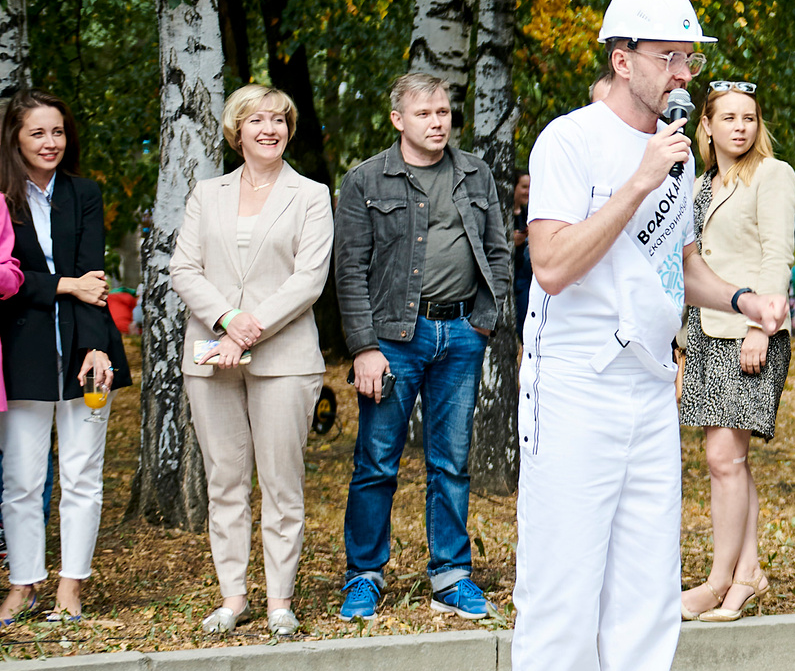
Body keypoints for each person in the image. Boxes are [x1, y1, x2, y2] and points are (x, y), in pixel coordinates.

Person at [510, 0, 786, 671]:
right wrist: (634, 183)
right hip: (574, 383)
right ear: (620, 56)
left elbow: (683, 268)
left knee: (644, 586)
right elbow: (551, 263)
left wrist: (744, 296)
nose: (682, 71)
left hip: (643, 389)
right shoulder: (573, 142)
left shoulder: (677, 153)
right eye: (667, 55)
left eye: (688, 57)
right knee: (562, 583)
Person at [333, 72, 512, 621]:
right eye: (424, 114)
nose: (438, 123)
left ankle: (452, 576)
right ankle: (364, 575)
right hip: (393, 341)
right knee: (377, 461)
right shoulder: (367, 181)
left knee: (451, 461)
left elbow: (499, 253)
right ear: (398, 120)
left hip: (460, 335)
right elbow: (349, 270)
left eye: (444, 113)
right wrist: (364, 347)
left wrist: (484, 319)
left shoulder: (476, 175)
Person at [169, 87, 335, 634]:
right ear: (236, 130)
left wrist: (248, 329)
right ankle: (234, 597)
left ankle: (280, 602)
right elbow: (184, 269)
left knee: (281, 484)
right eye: (257, 119)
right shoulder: (205, 193)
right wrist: (226, 321)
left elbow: (308, 280)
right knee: (226, 481)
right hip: (211, 355)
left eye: (280, 120)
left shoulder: (310, 195)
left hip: (284, 359)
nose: (270, 128)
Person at [0, 91, 128, 625]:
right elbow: (7, 280)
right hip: (21, 352)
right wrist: (61, 285)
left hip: (85, 349)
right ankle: (24, 583)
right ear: (15, 139)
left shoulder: (85, 193)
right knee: (23, 479)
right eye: (37, 133)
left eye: (57, 132)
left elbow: (94, 278)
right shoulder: (2, 198)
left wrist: (97, 343)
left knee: (82, 474)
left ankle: (71, 585)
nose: (50, 143)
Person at [678, 80, 795, 622]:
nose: (739, 127)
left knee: (723, 460)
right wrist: (682, 345)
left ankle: (716, 580)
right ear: (706, 125)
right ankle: (747, 572)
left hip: (749, 333)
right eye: (727, 118)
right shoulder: (698, 184)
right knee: (731, 461)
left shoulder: (772, 175)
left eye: (748, 117)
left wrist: (763, 325)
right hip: (704, 334)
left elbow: (777, 255)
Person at [510, 171, 534, 344]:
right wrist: (512, 242)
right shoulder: (504, 213)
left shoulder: (529, 212)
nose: (527, 191)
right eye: (524, 187)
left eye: (530, 187)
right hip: (513, 275)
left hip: (528, 277)